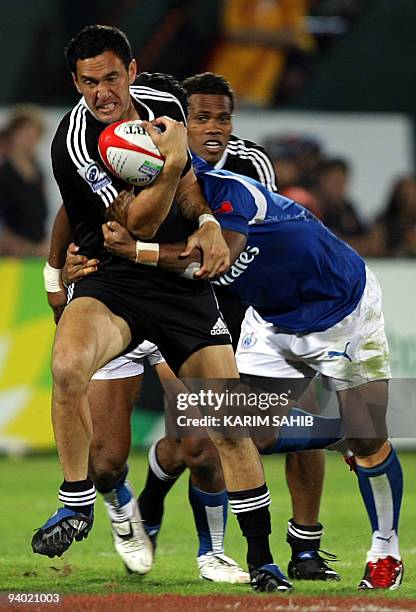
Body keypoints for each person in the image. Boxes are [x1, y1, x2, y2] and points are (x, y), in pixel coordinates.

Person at [34, 25, 288, 594]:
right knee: (69, 373)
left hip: (180, 285)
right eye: (88, 83)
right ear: (75, 83)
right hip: (113, 280)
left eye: (111, 78)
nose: (101, 93)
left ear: (132, 70)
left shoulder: (165, 103)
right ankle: (80, 502)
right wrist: (169, 164)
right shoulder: (73, 142)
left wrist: (204, 223)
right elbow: (134, 225)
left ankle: (261, 559)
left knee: (223, 428)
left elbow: (191, 183)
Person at [103, 158, 404, 591]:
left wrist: (137, 251)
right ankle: (341, 434)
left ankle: (385, 549)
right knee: (248, 432)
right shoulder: (160, 207)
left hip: (342, 308)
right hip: (271, 320)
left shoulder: (228, 190)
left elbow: (218, 257)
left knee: (372, 440)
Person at [136, 71, 338, 582]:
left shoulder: (252, 163)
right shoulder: (147, 158)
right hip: (180, 313)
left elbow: (264, 242)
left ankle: (305, 549)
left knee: (306, 427)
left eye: (222, 116)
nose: (213, 127)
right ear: (183, 119)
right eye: (200, 116)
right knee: (199, 446)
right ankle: (153, 502)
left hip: (256, 314)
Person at [0, 105, 49, 257]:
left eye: (34, 135)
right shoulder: (4, 173)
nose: (29, 139)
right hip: (10, 255)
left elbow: (40, 216)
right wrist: (26, 248)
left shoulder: (39, 172)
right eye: (24, 133)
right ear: (12, 135)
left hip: (37, 252)